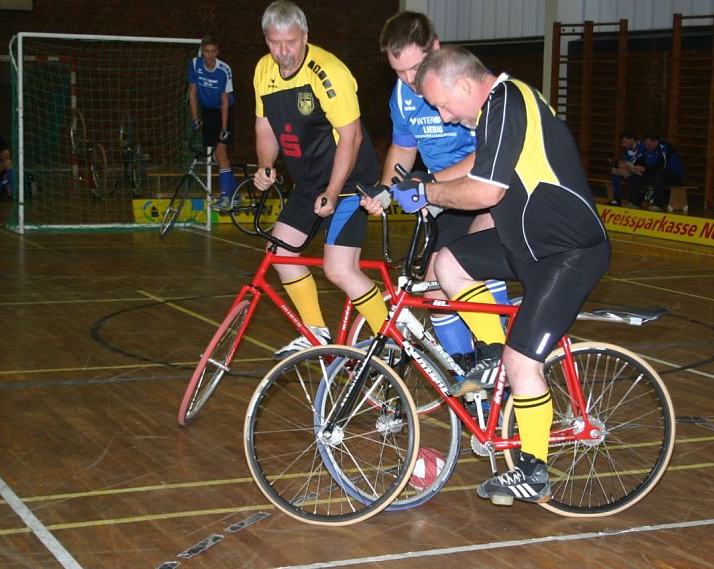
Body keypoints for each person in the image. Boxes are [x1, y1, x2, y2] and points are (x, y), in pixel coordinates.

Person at [390, 46, 610, 505]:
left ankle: (534, 467)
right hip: (526, 245)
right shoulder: (497, 110)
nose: (446, 118)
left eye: (444, 104)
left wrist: (429, 192)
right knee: (449, 262)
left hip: (566, 253)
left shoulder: (507, 101)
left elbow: (486, 188)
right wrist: (420, 187)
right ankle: (489, 352)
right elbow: (475, 166)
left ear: (467, 86)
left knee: (523, 362)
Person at [363, 10, 510, 374]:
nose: (409, 79)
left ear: (436, 48)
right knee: (432, 293)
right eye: (398, 71)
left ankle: (505, 366)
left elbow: (487, 156)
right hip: (441, 197)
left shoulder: (459, 85)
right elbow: (402, 147)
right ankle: (468, 375)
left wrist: (428, 186)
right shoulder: (402, 95)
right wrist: (386, 188)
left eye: (415, 67)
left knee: (471, 268)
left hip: (482, 191)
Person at [252, 0, 388, 358]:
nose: (283, 52)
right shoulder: (263, 71)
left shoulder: (329, 72)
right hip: (311, 183)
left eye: (291, 42)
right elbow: (265, 125)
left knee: (339, 268)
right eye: (275, 43)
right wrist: (266, 164)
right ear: (266, 40)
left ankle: (389, 338)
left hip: (349, 183)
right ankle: (315, 332)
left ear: (306, 36)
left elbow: (352, 137)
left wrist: (332, 191)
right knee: (280, 253)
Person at [188, 35, 236, 210]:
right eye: (206, 51)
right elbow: (192, 92)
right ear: (202, 51)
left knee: (220, 152)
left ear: (217, 52)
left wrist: (224, 127)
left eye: (213, 51)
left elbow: (225, 100)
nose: (209, 55)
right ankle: (235, 192)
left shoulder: (224, 70)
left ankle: (225, 199)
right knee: (217, 157)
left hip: (223, 111)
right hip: (207, 111)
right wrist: (195, 117)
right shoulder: (194, 65)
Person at [626, 132, 683, 211]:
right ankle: (634, 202)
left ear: (656, 142)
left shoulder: (664, 147)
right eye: (645, 145)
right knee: (636, 176)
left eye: (649, 145)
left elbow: (662, 166)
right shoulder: (647, 150)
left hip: (674, 175)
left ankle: (658, 205)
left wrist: (645, 169)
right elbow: (641, 161)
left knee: (659, 175)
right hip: (656, 174)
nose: (646, 147)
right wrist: (634, 167)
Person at [607, 131, 644, 206]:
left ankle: (636, 198)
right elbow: (625, 163)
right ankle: (617, 198)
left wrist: (623, 165)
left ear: (632, 139)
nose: (623, 144)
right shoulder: (628, 150)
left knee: (628, 173)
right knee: (614, 170)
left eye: (625, 142)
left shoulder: (642, 147)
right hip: (632, 171)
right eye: (622, 142)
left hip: (643, 172)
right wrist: (616, 164)